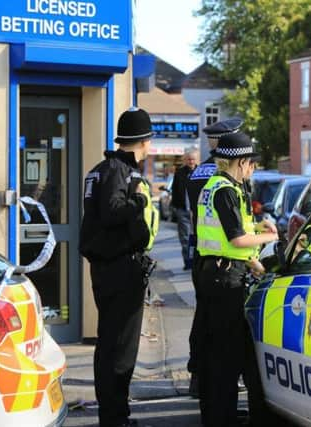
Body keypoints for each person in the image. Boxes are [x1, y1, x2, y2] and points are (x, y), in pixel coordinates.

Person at [79, 107, 159, 427]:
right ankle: (115, 417)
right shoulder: (119, 172)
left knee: (111, 343)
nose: (151, 146)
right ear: (143, 141)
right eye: (150, 139)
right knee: (120, 349)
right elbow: (113, 212)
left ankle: (114, 414)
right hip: (120, 268)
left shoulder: (101, 169)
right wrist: (139, 201)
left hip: (109, 267)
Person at [195, 131, 278, 427]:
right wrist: (269, 235)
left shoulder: (215, 186)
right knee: (225, 355)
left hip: (215, 273)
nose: (253, 169)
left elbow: (227, 230)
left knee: (224, 350)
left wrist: (254, 255)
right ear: (240, 163)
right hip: (224, 279)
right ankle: (221, 417)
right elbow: (237, 238)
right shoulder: (226, 190)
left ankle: (222, 414)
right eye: (251, 163)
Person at [185, 117, 243, 396]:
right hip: (225, 259)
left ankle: (198, 375)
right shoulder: (224, 179)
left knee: (203, 315)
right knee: (221, 326)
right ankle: (218, 383)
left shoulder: (197, 173)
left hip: (202, 255)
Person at [172, 148, 197, 270]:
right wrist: (176, 208)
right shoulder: (179, 173)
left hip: (197, 211)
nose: (191, 161)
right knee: (185, 238)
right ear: (185, 160)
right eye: (188, 159)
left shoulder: (200, 172)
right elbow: (175, 191)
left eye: (193, 159)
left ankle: (197, 261)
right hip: (183, 210)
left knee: (197, 237)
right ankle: (187, 262)